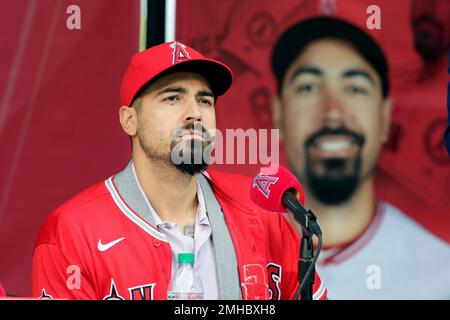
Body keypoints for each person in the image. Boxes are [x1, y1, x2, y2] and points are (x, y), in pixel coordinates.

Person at [31, 41, 327, 300]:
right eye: (172, 97)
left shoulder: (260, 211)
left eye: (204, 100)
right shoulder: (71, 231)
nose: (195, 113)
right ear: (129, 120)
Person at [270, 16, 450, 299]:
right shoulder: (230, 252)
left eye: (355, 88)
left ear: (385, 116)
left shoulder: (442, 276)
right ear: (278, 111)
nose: (332, 112)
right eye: (309, 87)